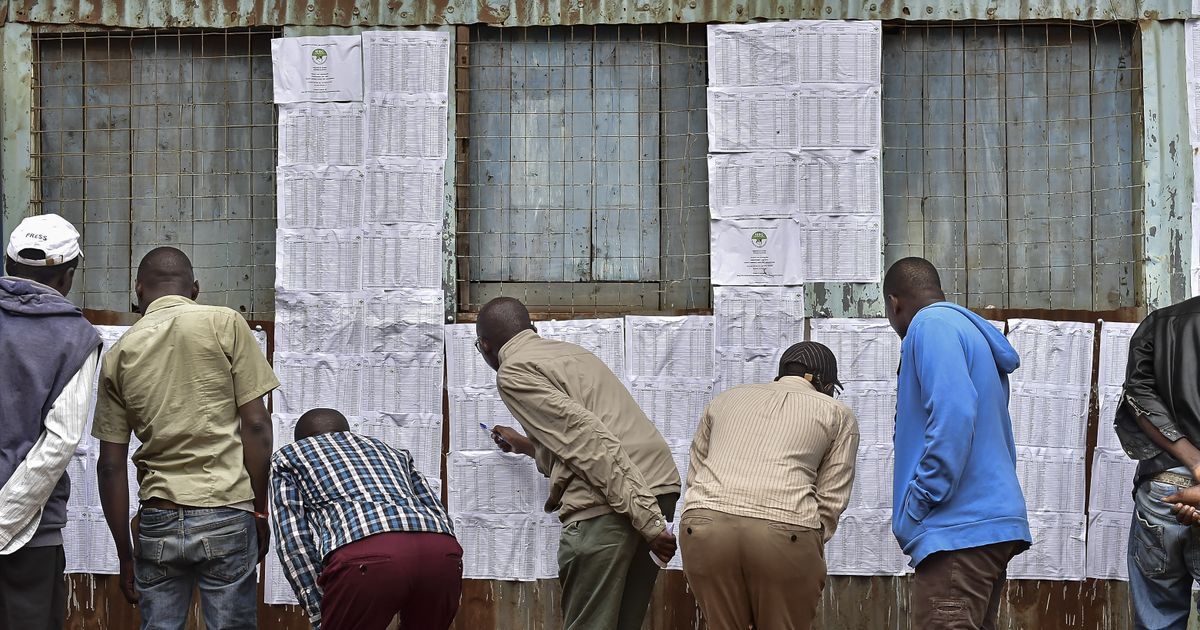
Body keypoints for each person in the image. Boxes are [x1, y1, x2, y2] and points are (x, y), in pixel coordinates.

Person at [92, 247, 278, 630]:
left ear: (138, 290)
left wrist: (126, 557)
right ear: (194, 289)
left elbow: (110, 465)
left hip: (157, 517)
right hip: (227, 507)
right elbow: (256, 426)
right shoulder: (225, 323)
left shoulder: (119, 353)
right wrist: (259, 509)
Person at [478, 297, 681, 630]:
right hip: (660, 487)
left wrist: (648, 522)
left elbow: (589, 441)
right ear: (533, 329)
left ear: (485, 346)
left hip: (613, 505)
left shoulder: (512, 371)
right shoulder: (572, 353)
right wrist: (529, 447)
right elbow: (582, 437)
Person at [883, 257, 1031, 630]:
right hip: (981, 525)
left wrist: (920, 501)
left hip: (956, 529)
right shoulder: (964, 331)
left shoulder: (930, 326)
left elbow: (955, 414)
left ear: (894, 302)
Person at [680, 341, 858, 630]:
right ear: (825, 383)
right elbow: (831, 499)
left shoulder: (726, 399)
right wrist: (804, 541)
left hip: (703, 525)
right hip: (785, 528)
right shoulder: (837, 413)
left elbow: (696, 472)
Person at [271, 408, 462, 630]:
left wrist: (319, 608)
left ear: (301, 439)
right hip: (441, 552)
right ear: (347, 432)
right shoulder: (393, 453)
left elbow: (293, 541)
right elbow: (436, 510)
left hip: (366, 557)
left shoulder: (288, 457)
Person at [0, 214, 100, 630]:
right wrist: (4, 523)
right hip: (26, 535)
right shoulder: (76, 337)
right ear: (68, 276)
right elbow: (58, 444)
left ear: (8, 266)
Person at [1110, 295, 1200, 629]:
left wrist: (1193, 461)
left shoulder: (1160, 322)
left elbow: (1138, 395)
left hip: (1165, 488)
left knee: (1157, 621)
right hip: (1178, 493)